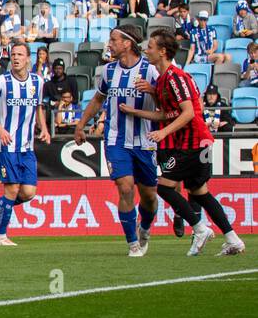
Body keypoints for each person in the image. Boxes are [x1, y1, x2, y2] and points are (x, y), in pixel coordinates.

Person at [117, 30, 245, 256]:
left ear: (163, 52)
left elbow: (187, 113)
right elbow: (167, 114)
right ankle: (233, 239)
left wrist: (163, 133)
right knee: (200, 193)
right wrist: (135, 111)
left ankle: (199, 228)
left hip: (193, 142)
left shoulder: (175, 77)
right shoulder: (165, 79)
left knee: (165, 187)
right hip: (197, 141)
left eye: (151, 47)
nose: (147, 50)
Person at [75, 24, 160, 257]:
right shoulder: (109, 71)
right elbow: (97, 100)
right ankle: (133, 243)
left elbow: (167, 102)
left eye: (113, 40)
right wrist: (80, 125)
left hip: (145, 141)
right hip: (115, 140)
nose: (109, 44)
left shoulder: (151, 71)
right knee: (125, 187)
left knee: (150, 197)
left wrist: (153, 91)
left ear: (127, 43)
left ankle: (144, 227)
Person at [0, 42, 51, 246]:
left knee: (28, 193)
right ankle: (0, 236)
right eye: (13, 54)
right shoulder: (1, 82)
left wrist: (43, 128)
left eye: (20, 54)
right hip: (6, 146)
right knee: (12, 189)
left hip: (27, 147)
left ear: (28, 58)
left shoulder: (38, 81)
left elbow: (38, 108)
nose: (16, 58)